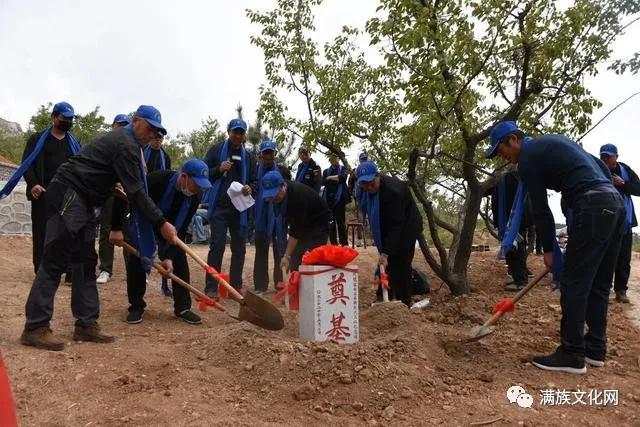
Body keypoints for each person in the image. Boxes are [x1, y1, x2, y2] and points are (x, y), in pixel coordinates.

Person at [20, 105, 178, 351]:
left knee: (85, 261)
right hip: (69, 194)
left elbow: (123, 192)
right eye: (150, 127)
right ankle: (35, 327)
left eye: (158, 132)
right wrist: (161, 222)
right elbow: (136, 192)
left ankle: (86, 324)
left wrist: (118, 226)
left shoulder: (130, 146)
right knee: (55, 258)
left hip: (84, 201)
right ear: (136, 121)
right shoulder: (125, 144)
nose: (152, 134)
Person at [486, 121, 625, 374]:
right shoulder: (553, 143)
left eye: (501, 150)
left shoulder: (528, 158)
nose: (503, 157)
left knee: (574, 281)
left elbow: (541, 209)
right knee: (599, 283)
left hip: (592, 204)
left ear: (514, 140)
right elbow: (602, 168)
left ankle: (572, 353)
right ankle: (595, 348)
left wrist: (550, 250)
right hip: (614, 205)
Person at [110, 159, 211, 324]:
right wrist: (116, 228)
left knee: (179, 259)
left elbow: (182, 229)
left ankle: (183, 307)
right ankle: (136, 306)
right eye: (196, 184)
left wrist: (168, 257)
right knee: (136, 258)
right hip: (143, 222)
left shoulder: (194, 196)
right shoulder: (157, 180)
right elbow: (124, 195)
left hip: (171, 228)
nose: (199, 189)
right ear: (184, 177)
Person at [0, 102, 80, 275]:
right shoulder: (37, 139)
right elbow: (27, 164)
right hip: (42, 193)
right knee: (41, 232)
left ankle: (67, 268)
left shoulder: (74, 143)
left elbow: (78, 167)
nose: (67, 121)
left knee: (66, 232)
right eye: (64, 118)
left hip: (66, 195)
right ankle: (41, 268)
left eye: (70, 119)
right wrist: (34, 184)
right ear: (54, 118)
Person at [356, 161, 423, 306]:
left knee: (401, 263)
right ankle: (384, 297)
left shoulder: (394, 192)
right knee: (388, 264)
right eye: (364, 184)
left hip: (407, 227)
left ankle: (405, 302)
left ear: (378, 176)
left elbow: (396, 226)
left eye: (371, 182)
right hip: (389, 226)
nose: (369, 187)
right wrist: (385, 252)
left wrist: (385, 252)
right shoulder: (368, 191)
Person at [203, 118, 257, 297]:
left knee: (239, 248)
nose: (238, 135)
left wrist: (251, 188)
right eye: (235, 132)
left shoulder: (248, 157)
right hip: (220, 207)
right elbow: (204, 174)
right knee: (217, 245)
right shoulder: (216, 150)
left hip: (239, 210)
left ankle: (235, 287)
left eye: (241, 132)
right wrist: (218, 169)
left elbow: (255, 181)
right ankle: (211, 287)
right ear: (228, 132)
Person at [261, 171, 329, 272]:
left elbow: (295, 231)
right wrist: (287, 256)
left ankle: (318, 285)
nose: (273, 198)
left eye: (275, 193)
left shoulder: (297, 196)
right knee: (295, 260)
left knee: (316, 259)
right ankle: (295, 284)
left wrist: (287, 255)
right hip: (303, 224)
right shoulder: (279, 200)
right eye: (270, 195)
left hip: (319, 223)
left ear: (283, 186)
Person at [599, 144, 639, 304]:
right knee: (605, 256)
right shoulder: (597, 169)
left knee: (624, 257)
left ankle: (621, 291)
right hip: (604, 221)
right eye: (603, 156)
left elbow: (638, 188)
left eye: (608, 156)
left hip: (625, 222)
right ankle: (603, 289)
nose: (605, 159)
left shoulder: (626, 170)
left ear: (617, 156)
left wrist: (623, 184)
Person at [96, 114, 131, 285]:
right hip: (109, 194)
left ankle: (134, 271)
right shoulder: (104, 144)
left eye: (125, 125)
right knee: (106, 231)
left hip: (127, 195)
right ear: (113, 125)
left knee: (128, 233)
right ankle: (105, 269)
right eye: (119, 125)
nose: (122, 128)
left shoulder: (132, 146)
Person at [253, 140, 287, 293]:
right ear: (260, 154)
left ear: (275, 154)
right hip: (260, 215)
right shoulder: (254, 171)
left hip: (277, 215)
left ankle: (280, 282)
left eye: (270, 152)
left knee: (279, 250)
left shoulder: (282, 171)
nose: (268, 155)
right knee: (261, 250)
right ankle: (260, 285)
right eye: (265, 152)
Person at [488, 171, 532, 291]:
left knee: (518, 249)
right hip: (508, 223)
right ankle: (517, 278)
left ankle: (521, 281)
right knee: (511, 250)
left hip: (517, 222)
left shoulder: (513, 179)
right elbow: (486, 191)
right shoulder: (502, 183)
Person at [323, 154, 349, 246]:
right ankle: (334, 243)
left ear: (338, 159)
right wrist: (336, 178)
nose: (334, 160)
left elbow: (343, 178)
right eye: (331, 158)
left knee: (341, 222)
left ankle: (344, 243)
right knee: (331, 223)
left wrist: (330, 178)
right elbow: (323, 181)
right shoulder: (326, 171)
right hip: (328, 200)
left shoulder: (344, 169)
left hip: (340, 200)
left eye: (336, 158)